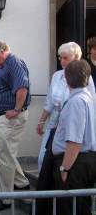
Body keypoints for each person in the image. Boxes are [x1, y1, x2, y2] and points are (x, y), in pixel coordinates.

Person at [0, 40, 31, 211]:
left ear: (4, 51)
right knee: (7, 154)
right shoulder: (1, 65)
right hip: (2, 117)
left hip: (10, 117)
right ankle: (22, 183)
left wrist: (17, 109)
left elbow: (22, 87)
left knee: (4, 156)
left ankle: (6, 198)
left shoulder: (13, 62)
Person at [37, 42, 95, 171]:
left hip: (73, 122)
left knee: (66, 156)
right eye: (60, 57)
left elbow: (91, 103)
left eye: (65, 58)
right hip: (55, 119)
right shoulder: (57, 76)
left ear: (76, 58)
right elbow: (49, 101)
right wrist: (41, 121)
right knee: (43, 158)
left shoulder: (86, 77)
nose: (62, 61)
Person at [51, 59, 96, 215]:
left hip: (75, 163)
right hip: (84, 161)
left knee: (71, 208)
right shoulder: (88, 98)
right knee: (81, 207)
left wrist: (65, 168)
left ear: (67, 79)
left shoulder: (76, 101)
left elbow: (74, 141)